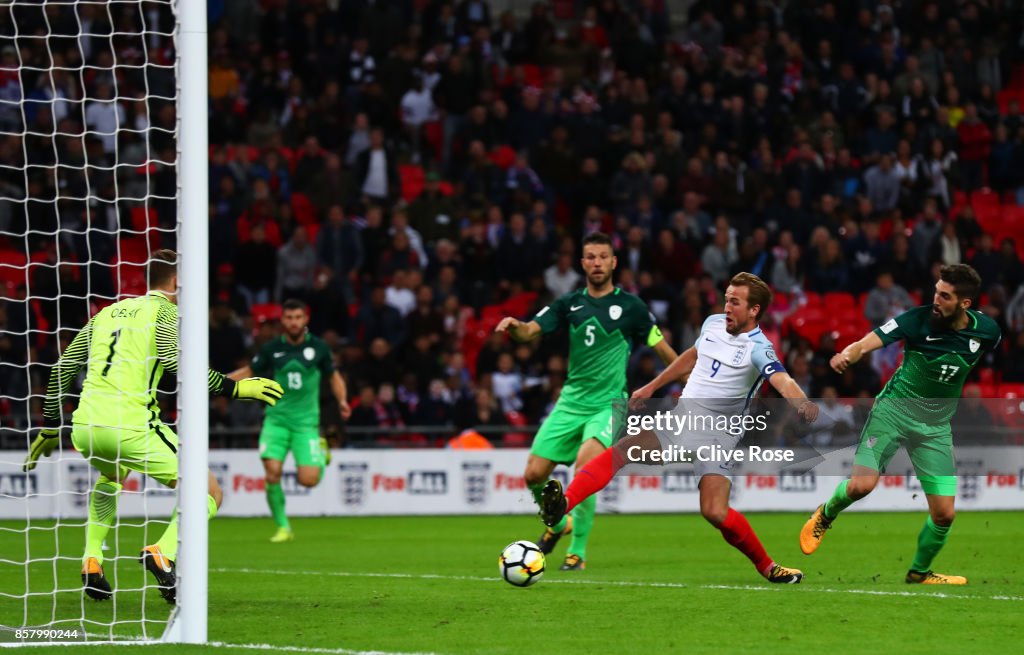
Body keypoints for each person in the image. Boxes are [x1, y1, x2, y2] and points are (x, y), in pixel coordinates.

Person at [23, 250, 283, 602]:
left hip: (84, 427)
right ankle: (163, 551)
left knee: (111, 477)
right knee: (208, 490)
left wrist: (51, 427)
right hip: (131, 426)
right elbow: (175, 360)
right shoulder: (165, 310)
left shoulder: (105, 314)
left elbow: (61, 369)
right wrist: (234, 388)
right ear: (177, 282)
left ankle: (92, 560)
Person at [539, 273, 820, 583]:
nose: (727, 307)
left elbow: (783, 379)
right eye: (726, 299)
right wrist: (652, 385)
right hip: (683, 419)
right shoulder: (713, 323)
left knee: (715, 512)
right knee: (621, 450)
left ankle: (768, 567)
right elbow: (694, 355)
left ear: (754, 310)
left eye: (735, 302)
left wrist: (803, 404)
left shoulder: (759, 347)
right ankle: (563, 505)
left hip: (719, 435)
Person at [800, 264, 1002, 584]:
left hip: (935, 428)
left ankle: (919, 572)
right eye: (936, 290)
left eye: (945, 296)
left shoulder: (987, 331)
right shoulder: (916, 320)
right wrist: (848, 353)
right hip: (892, 413)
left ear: (964, 304)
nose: (936, 299)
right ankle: (825, 514)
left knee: (944, 514)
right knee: (861, 486)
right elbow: (871, 340)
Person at [495, 232, 677, 571]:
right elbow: (531, 330)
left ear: (613, 262)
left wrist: (689, 375)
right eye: (590, 257)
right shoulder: (569, 303)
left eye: (602, 257)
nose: (596, 263)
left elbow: (663, 349)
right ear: (582, 263)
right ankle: (558, 525)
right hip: (570, 402)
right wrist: (515, 327)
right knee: (533, 474)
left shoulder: (632, 308)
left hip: (607, 404)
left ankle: (576, 551)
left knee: (585, 468)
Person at [230, 299, 350, 542]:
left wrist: (343, 401)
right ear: (283, 320)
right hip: (276, 420)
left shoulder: (319, 348)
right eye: (289, 318)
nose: (294, 322)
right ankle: (283, 526)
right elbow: (250, 372)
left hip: (306, 424)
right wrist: (219, 381)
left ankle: (321, 448)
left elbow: (333, 377)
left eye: (298, 317)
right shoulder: (272, 348)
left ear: (305, 319)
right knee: (272, 472)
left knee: (308, 480)